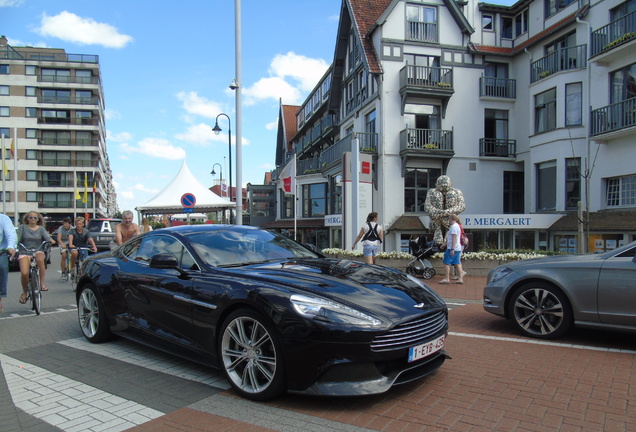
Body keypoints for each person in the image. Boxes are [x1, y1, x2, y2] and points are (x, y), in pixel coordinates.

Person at [18, 211, 55, 304]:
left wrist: (51, 240)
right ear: (27, 218)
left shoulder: (41, 229)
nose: (33, 219)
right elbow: (17, 238)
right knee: (24, 273)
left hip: (38, 250)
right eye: (30, 217)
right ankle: (25, 293)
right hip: (25, 251)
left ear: (38, 219)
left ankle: (42, 284)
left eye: (35, 218)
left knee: (40, 260)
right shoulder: (22, 228)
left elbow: (47, 237)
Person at [439, 214, 464, 285]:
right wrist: (445, 244)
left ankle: (447, 278)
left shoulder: (453, 227)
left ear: (452, 219)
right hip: (457, 248)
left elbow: (454, 238)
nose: (448, 220)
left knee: (446, 262)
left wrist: (452, 249)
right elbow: (453, 239)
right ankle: (460, 278)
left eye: (449, 218)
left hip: (452, 248)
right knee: (457, 263)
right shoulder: (457, 226)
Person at [0, 213, 17, 313]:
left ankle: (0, 295)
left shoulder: (3, 218)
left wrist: (11, 246)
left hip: (1, 250)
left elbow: (11, 233)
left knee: (2, 267)